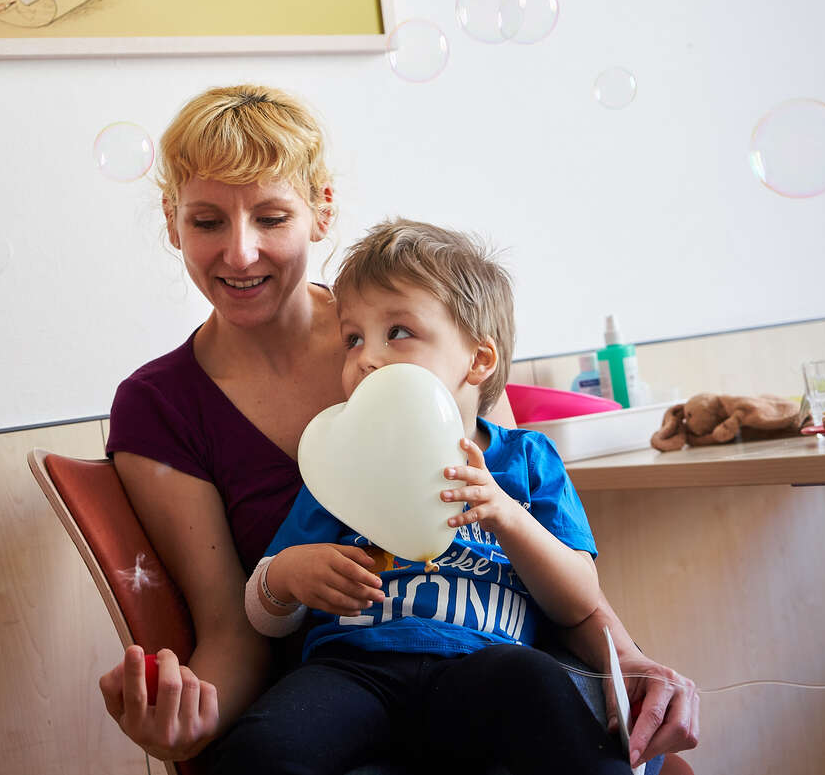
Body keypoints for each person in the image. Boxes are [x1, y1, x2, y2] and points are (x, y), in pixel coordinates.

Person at [100, 84, 699, 770]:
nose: (240, 253)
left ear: (321, 210)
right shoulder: (163, 406)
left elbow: (535, 535)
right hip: (338, 689)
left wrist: (626, 659)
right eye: (207, 221)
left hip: (492, 676)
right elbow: (237, 626)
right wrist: (188, 720)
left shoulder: (433, 334)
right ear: (173, 221)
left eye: (271, 216)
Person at [217, 218, 629, 774]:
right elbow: (265, 614)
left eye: (399, 332)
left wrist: (505, 515)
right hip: (354, 672)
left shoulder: (527, 460)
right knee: (255, 752)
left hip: (483, 669)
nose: (365, 357)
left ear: (478, 361)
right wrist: (287, 575)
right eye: (353, 338)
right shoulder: (340, 463)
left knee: (544, 691)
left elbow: (579, 600)